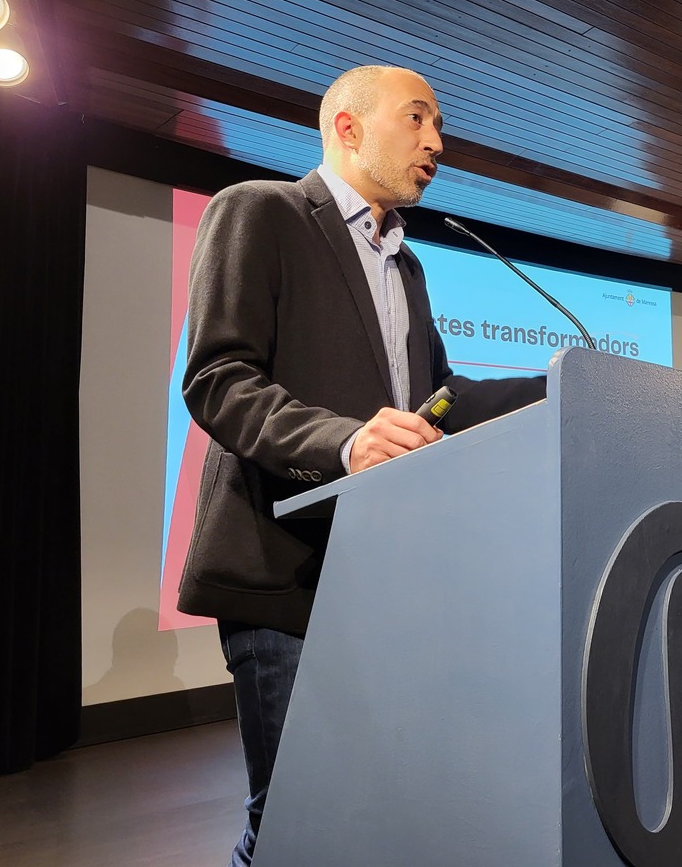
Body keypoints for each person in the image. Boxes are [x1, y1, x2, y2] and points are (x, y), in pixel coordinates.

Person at [176, 65, 547, 866]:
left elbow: (435, 401)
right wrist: (343, 443)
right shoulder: (260, 211)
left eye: (437, 125)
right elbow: (218, 379)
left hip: (383, 581)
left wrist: (561, 385)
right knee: (294, 826)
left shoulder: (406, 265)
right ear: (347, 127)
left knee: (371, 814)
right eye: (417, 119)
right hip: (285, 573)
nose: (436, 142)